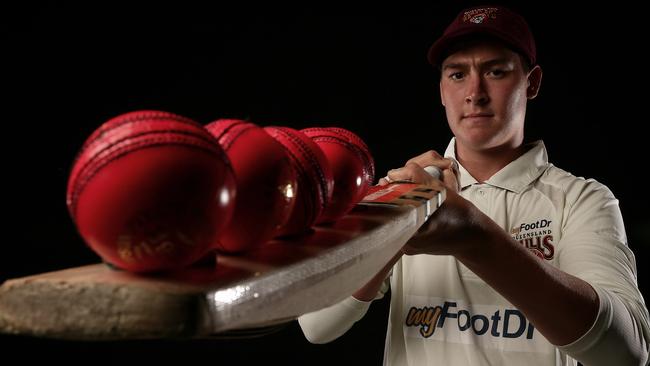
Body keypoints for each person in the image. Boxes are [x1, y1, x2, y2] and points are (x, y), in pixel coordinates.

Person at [297, 5, 650, 365]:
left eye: (496, 72)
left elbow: (625, 352)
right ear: (441, 89)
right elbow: (317, 326)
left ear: (532, 83)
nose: (474, 93)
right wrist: (394, 230)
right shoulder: (406, 192)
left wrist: (474, 235)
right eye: (457, 74)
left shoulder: (581, 199)